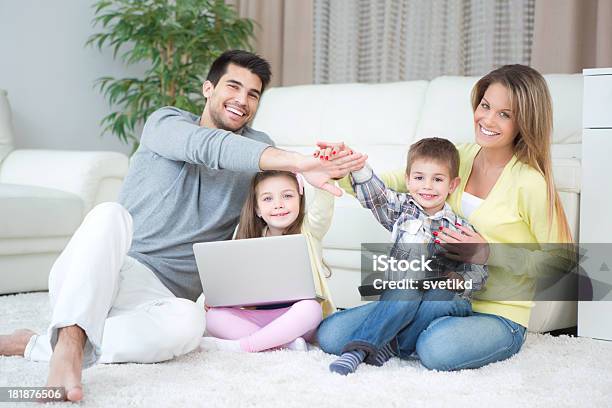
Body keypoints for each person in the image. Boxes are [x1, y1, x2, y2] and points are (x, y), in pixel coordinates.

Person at [0, 50, 367, 402]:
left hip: (161, 298)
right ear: (208, 89)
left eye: (253, 94)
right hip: (105, 269)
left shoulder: (259, 149)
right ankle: (66, 349)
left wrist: (320, 169)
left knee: (189, 326)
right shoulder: (166, 123)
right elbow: (210, 147)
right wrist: (299, 161)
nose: (242, 100)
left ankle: (35, 344)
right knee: (108, 215)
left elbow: (278, 201)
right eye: (233, 87)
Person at [316, 64, 573, 371]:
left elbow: (562, 260)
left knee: (436, 349)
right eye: (485, 106)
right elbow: (392, 184)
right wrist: (345, 168)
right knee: (331, 336)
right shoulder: (457, 156)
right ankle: (399, 334)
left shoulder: (531, 183)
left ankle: (394, 338)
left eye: (505, 114)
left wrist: (490, 253)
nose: (488, 119)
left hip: (497, 313)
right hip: (428, 295)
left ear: (525, 122)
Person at [318, 137, 487, 375]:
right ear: (408, 180)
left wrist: (462, 279)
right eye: (419, 178)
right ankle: (357, 350)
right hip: (402, 292)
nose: (427, 186)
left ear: (452, 185)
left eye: (437, 179)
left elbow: (479, 270)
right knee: (404, 290)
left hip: (439, 296)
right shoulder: (401, 209)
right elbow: (376, 196)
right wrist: (358, 167)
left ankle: (396, 345)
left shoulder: (459, 228)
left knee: (440, 299)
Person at [200, 170, 335, 352]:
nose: (278, 205)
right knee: (213, 317)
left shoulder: (310, 230)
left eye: (287, 196)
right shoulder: (248, 236)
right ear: (257, 209)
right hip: (260, 316)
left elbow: (322, 209)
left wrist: (323, 185)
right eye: (267, 199)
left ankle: (247, 345)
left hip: (298, 318)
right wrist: (213, 299)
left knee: (311, 308)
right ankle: (285, 344)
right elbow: (231, 282)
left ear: (300, 201)